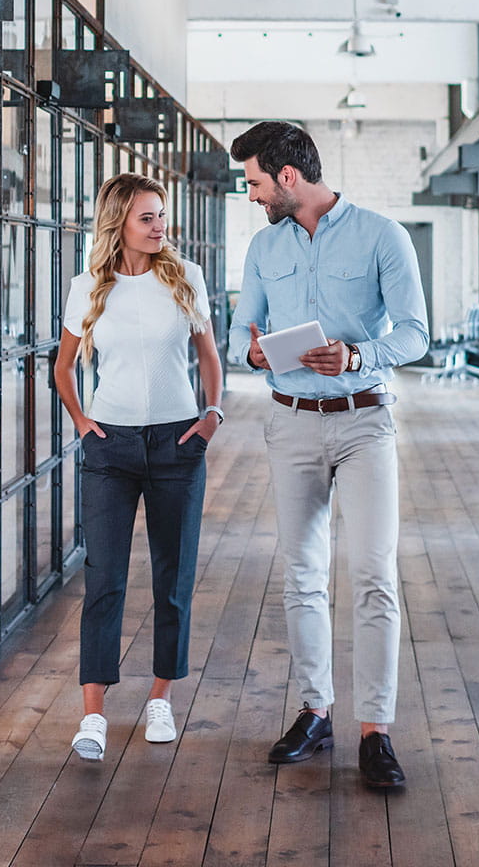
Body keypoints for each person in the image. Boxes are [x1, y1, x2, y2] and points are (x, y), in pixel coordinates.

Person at [225, 121, 429, 790]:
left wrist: (357, 355)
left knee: (373, 574)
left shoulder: (383, 236)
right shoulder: (264, 246)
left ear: (288, 176)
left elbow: (417, 334)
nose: (252, 194)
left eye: (255, 181)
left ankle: (376, 731)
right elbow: (241, 330)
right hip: (290, 424)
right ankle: (315, 713)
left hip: (365, 422)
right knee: (303, 575)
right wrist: (253, 351)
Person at [55, 172, 224, 762]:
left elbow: (209, 356)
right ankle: (93, 715)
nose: (160, 227)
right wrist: (82, 422)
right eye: (147, 218)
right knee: (104, 577)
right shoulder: (87, 288)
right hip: (111, 447)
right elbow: (63, 366)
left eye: (161, 216)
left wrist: (212, 415)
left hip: (179, 444)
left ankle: (160, 699)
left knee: (172, 580)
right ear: (118, 223)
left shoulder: (186, 278)